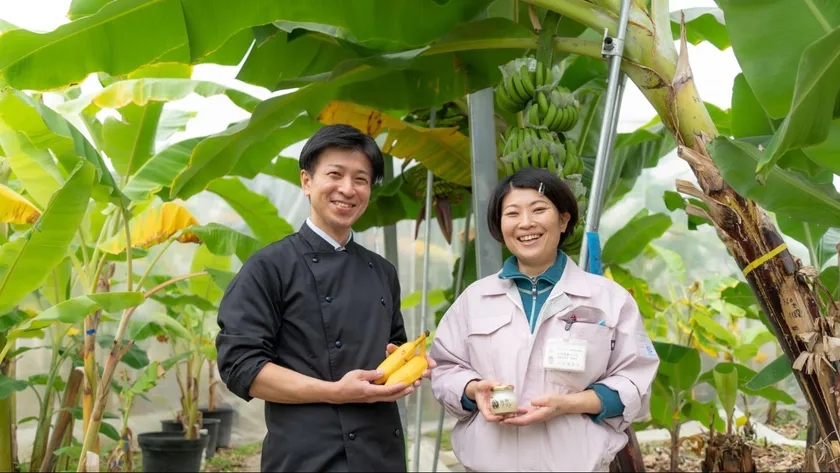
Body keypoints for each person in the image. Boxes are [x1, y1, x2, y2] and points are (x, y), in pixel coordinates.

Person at [215, 124, 435, 472]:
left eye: (361, 179)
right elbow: (241, 366)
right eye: (335, 174)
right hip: (307, 457)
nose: (347, 189)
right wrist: (334, 391)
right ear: (307, 181)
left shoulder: (382, 271)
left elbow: (393, 348)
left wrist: (406, 365)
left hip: (381, 453)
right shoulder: (269, 267)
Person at [429, 167, 659, 472]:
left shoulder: (609, 299)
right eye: (512, 213)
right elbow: (445, 368)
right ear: (500, 225)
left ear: (563, 220)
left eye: (539, 209)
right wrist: (473, 390)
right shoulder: (474, 300)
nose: (526, 223)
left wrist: (569, 404)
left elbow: (636, 381)